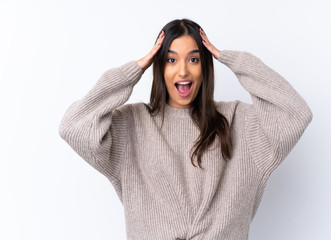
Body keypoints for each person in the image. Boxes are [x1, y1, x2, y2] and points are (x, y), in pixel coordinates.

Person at [59, 19, 313, 240]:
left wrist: (233, 60)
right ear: (158, 67)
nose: (183, 70)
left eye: (194, 59)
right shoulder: (132, 124)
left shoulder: (239, 122)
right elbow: (74, 126)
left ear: (205, 66)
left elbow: (295, 114)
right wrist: (134, 70)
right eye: (170, 60)